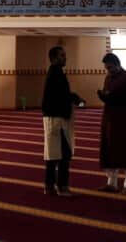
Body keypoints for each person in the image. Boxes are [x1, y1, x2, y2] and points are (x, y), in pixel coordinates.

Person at [42, 46, 83, 197]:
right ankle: (61, 187)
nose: (65, 58)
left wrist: (74, 98)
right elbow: (59, 97)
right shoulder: (55, 73)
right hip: (56, 120)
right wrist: (73, 99)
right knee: (62, 156)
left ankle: (50, 186)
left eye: (65, 55)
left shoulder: (57, 73)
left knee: (54, 156)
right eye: (62, 56)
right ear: (53, 58)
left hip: (56, 118)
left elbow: (62, 94)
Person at [97, 52, 126, 195]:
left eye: (110, 67)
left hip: (124, 119)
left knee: (125, 150)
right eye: (107, 68)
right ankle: (111, 183)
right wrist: (104, 96)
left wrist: (115, 96)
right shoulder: (108, 78)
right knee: (109, 150)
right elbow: (108, 94)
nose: (109, 70)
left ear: (117, 64)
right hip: (109, 118)